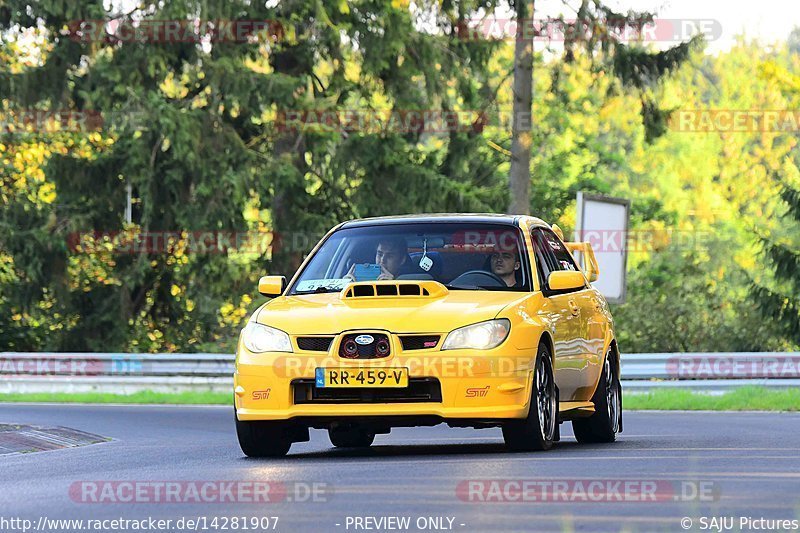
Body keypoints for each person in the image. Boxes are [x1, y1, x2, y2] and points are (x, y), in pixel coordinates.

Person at [346, 237, 422, 281]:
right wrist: (345, 285)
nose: (382, 260)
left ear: (402, 260)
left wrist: (393, 286)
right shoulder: (360, 281)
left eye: (389, 256)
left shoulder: (411, 284)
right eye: (380, 254)